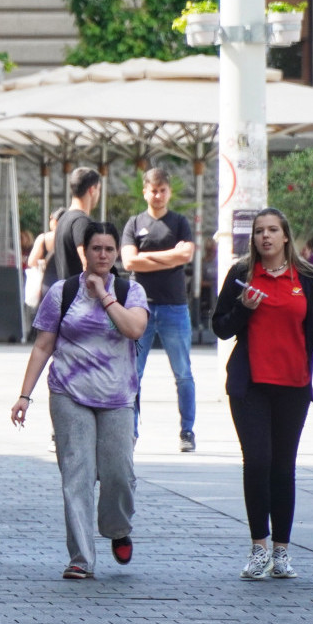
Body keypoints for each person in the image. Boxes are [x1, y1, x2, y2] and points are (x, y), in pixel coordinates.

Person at [11, 222, 149, 580]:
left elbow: (134, 329)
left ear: (117, 253)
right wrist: (24, 395)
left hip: (118, 397)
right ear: (83, 252)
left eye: (109, 249)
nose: (102, 255)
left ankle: (118, 528)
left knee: (119, 473)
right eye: (96, 249)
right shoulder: (62, 292)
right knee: (77, 475)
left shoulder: (130, 291)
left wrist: (104, 295)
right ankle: (81, 559)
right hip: (69, 394)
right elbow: (43, 346)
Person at [212, 207, 313, 581]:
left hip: (293, 385)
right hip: (249, 384)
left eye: (272, 230)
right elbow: (220, 327)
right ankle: (259, 547)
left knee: (283, 468)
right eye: (258, 232)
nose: (265, 237)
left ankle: (282, 551)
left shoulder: (308, 278)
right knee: (257, 462)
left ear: (286, 236)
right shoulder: (240, 275)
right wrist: (243, 309)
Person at [121, 167, 197, 451]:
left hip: (175, 307)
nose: (158, 195)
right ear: (145, 192)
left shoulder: (179, 222)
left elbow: (186, 254)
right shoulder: (134, 223)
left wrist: (147, 256)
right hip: (139, 308)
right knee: (133, 374)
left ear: (169, 192)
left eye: (162, 190)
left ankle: (187, 431)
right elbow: (129, 262)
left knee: (183, 373)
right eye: (153, 190)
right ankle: (131, 431)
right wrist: (170, 258)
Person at [48, 168, 102, 289]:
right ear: (92, 190)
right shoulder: (81, 221)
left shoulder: (63, 219)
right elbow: (87, 261)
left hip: (66, 295)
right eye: (99, 189)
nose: (99, 194)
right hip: (80, 298)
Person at [25, 207, 67, 306]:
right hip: (66, 284)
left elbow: (31, 262)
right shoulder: (72, 238)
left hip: (48, 284)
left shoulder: (43, 238)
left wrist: (42, 261)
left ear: (55, 221)